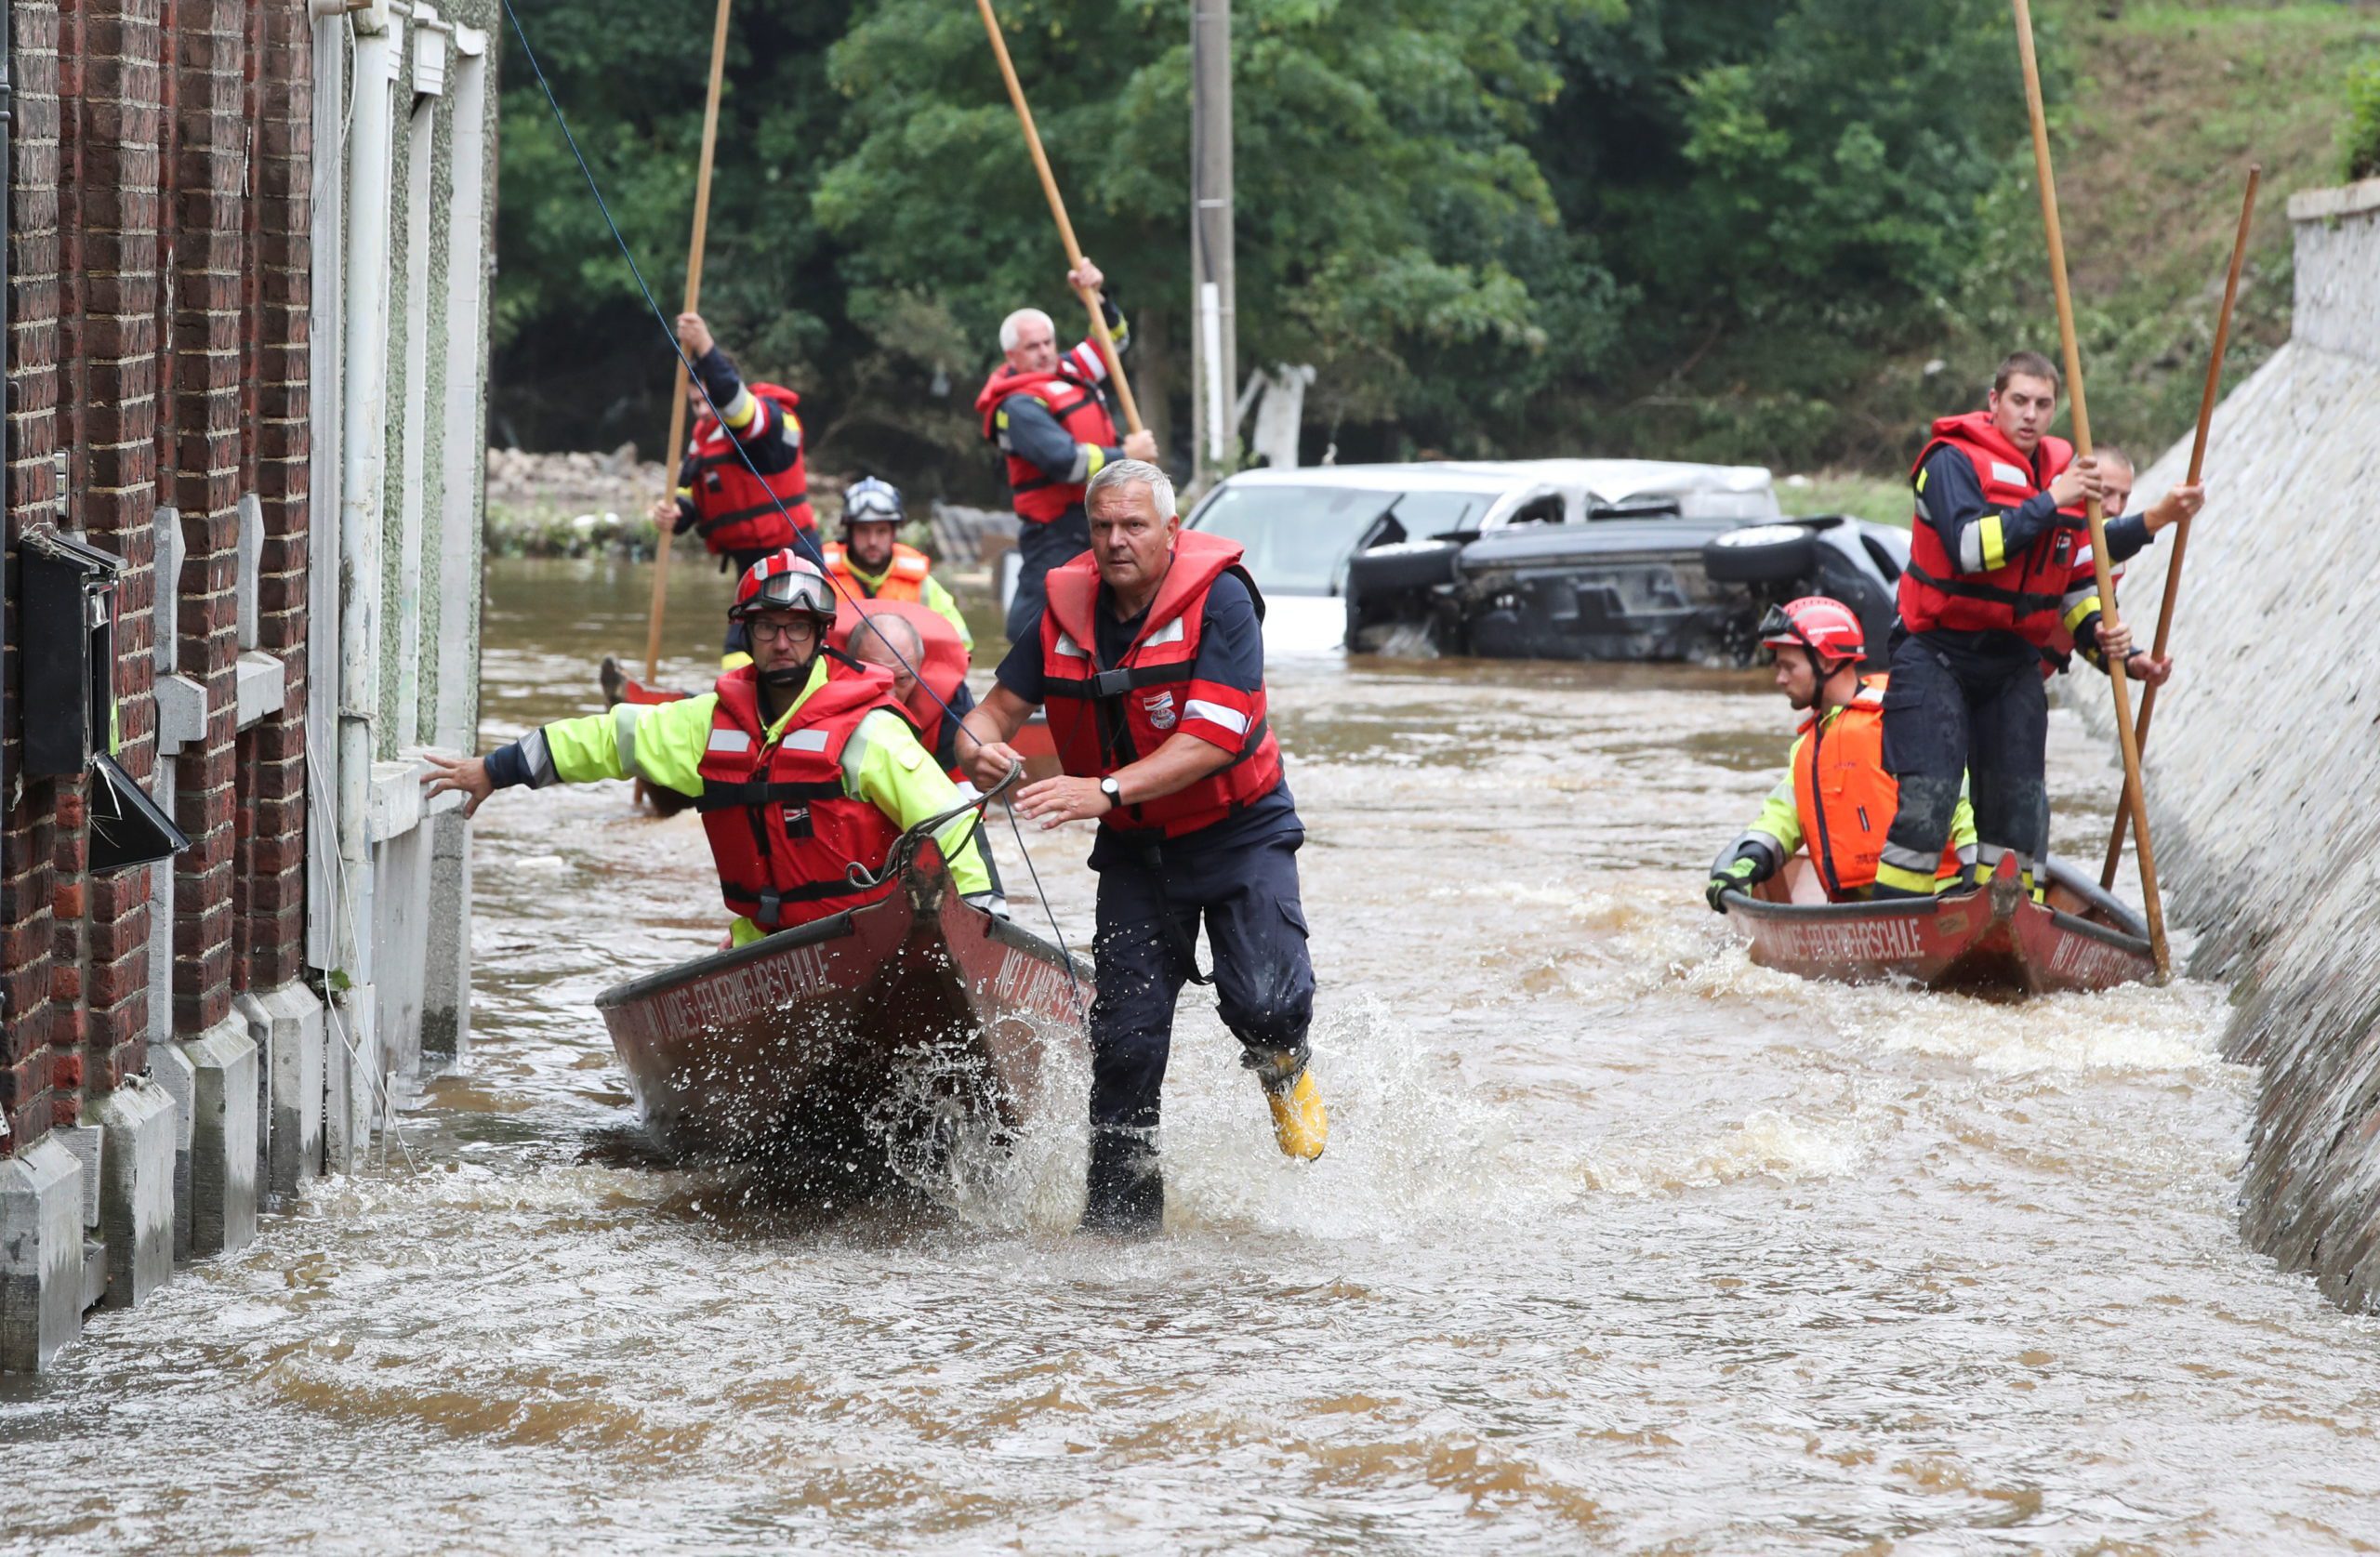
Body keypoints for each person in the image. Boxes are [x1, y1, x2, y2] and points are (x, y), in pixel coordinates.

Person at [959, 458, 1322, 1234]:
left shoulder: (1222, 601)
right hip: (1138, 852)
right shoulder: (1065, 613)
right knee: (1123, 1044)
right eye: (1102, 527)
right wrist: (976, 748)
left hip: (1240, 831)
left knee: (1264, 1001)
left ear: (1171, 532)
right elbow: (987, 712)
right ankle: (1119, 1233)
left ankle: (1284, 1064)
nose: (1116, 542)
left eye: (1134, 525)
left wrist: (1106, 790)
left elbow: (1214, 740)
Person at [424, 552, 990, 944]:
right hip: (765, 949)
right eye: (767, 627)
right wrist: (494, 770)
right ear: (746, 634)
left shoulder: (869, 732)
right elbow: (606, 740)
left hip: (865, 941)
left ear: (820, 636)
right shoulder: (708, 722)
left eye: (797, 628)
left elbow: (950, 824)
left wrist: (985, 920)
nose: (782, 642)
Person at [1876, 350, 2137, 901]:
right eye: (2019, 400)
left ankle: (2009, 930)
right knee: (1931, 801)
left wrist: (2102, 637)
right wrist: (2050, 501)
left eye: (2044, 404)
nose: (2030, 415)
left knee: (2021, 814)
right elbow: (1971, 549)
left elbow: (2074, 582)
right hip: (1936, 654)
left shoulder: (2068, 473)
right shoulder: (1948, 463)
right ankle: (1895, 922)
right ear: (1994, 402)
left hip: (2012, 663)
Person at [1709, 598, 1977, 909]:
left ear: (1825, 662)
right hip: (1851, 908)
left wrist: (1975, 873)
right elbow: (1782, 815)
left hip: (1935, 897)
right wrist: (1750, 860)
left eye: (1788, 666)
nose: (1779, 678)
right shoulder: (1809, 745)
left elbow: (1961, 796)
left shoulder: (1899, 717)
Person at [974, 257, 1159, 645]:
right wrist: (1127, 453)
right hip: (1054, 532)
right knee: (1037, 619)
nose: (1044, 352)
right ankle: (1024, 689)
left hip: (1098, 517)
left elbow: (1114, 340)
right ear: (1012, 356)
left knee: (1109, 611)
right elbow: (1065, 461)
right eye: (1032, 347)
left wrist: (1095, 295)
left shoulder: (1068, 369)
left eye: (1048, 342)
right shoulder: (1018, 406)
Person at [644, 311, 815, 668]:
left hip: (794, 557)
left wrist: (705, 346)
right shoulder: (702, 440)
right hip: (750, 565)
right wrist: (673, 512)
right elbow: (689, 494)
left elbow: (736, 406)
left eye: (708, 402)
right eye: (694, 405)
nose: (703, 413)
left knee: (785, 648)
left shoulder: (762, 421)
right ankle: (742, 714)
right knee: (738, 652)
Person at [841, 602, 1006, 905]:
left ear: (919, 669)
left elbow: (964, 806)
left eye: (902, 680)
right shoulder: (824, 691)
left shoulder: (948, 700)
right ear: (850, 665)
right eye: (877, 677)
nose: (889, 696)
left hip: (930, 788)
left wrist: (984, 903)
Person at [2035, 443, 2196, 681]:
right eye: (2106, 492)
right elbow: (2106, 538)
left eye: (2124, 497)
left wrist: (2132, 660)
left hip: (2025, 684)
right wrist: (2162, 515)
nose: (2115, 507)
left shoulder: (2108, 562)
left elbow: (2086, 627)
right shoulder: (2048, 526)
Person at [820, 478, 974, 651]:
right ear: (849, 532)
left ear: (894, 533)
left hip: (900, 676)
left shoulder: (922, 586)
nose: (872, 541)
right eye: (863, 530)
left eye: (881, 531)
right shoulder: (821, 579)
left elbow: (960, 644)